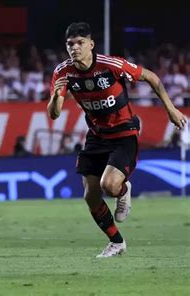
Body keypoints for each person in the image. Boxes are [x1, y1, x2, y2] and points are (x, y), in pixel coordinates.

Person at [47, 22, 186, 258]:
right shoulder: (63, 72)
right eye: (70, 44)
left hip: (124, 133)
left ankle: (122, 190)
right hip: (97, 136)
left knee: (108, 186)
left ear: (91, 44)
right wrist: (56, 98)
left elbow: (151, 77)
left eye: (80, 43)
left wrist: (171, 109)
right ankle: (116, 242)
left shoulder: (111, 65)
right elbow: (53, 114)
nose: (75, 48)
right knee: (90, 196)